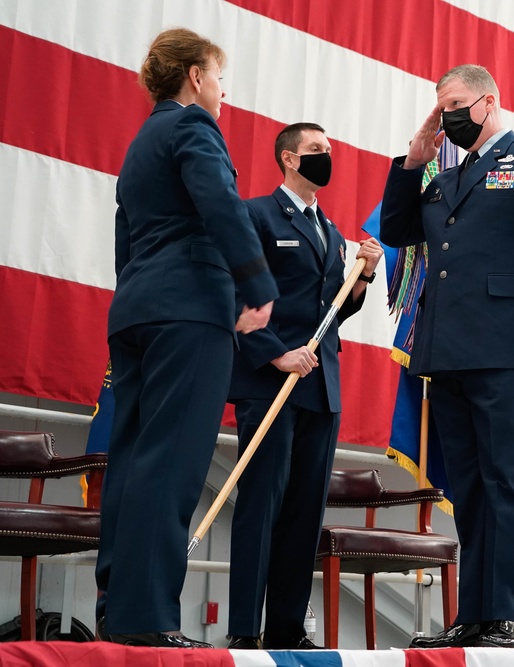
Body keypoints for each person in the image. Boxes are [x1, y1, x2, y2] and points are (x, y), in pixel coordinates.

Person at [380, 64, 514, 648]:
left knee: (506, 481)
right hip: (447, 352)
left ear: (488, 103)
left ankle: (506, 617)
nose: (445, 117)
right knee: (468, 489)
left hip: (511, 350)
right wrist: (414, 159)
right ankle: (473, 616)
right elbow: (398, 230)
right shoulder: (444, 178)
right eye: (438, 108)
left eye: (453, 104)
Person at [96, 28, 278, 648]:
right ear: (196, 76)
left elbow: (126, 241)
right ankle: (148, 617)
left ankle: (119, 604)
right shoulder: (192, 128)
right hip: (190, 311)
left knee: (133, 458)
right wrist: (255, 283)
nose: (224, 92)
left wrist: (148, 300)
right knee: (172, 462)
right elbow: (219, 203)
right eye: (220, 77)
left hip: (138, 311)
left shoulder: (140, 142)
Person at [225, 123, 383, 650]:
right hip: (272, 382)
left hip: (320, 385)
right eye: (317, 151)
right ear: (290, 158)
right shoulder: (257, 215)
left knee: (303, 514)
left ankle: (286, 627)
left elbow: (334, 310)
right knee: (261, 506)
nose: (327, 157)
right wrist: (275, 353)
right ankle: (245, 630)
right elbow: (239, 293)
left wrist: (361, 277)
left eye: (330, 150)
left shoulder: (332, 232)